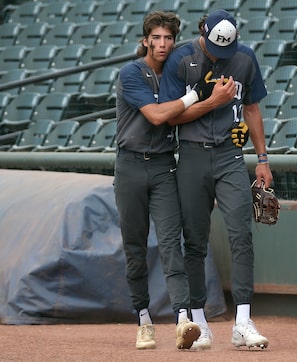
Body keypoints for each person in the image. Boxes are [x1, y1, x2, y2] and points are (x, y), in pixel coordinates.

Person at [159, 9, 273, 351]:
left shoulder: (244, 57)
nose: (218, 55)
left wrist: (263, 158)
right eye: (213, 48)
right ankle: (199, 322)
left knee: (242, 234)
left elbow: (252, 107)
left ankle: (242, 322)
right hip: (191, 155)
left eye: (225, 49)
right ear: (202, 33)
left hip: (230, 155)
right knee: (194, 241)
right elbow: (170, 117)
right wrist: (213, 102)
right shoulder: (181, 59)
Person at [114, 11, 203, 350]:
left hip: (165, 166)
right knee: (135, 249)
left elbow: (181, 113)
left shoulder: (178, 74)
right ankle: (143, 320)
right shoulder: (131, 72)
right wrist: (194, 97)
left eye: (168, 38)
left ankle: (183, 320)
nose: (163, 44)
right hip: (130, 167)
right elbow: (156, 115)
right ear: (146, 40)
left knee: (171, 244)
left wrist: (199, 98)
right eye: (157, 37)